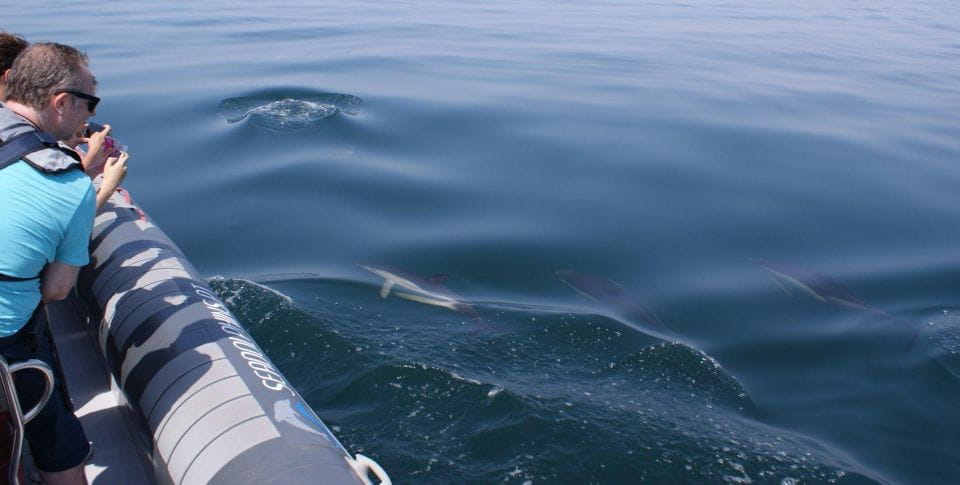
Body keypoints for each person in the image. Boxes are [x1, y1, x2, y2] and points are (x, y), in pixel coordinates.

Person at [0, 42, 123, 485]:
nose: (90, 114)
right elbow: (55, 291)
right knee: (60, 441)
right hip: (7, 341)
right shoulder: (66, 183)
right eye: (90, 101)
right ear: (60, 102)